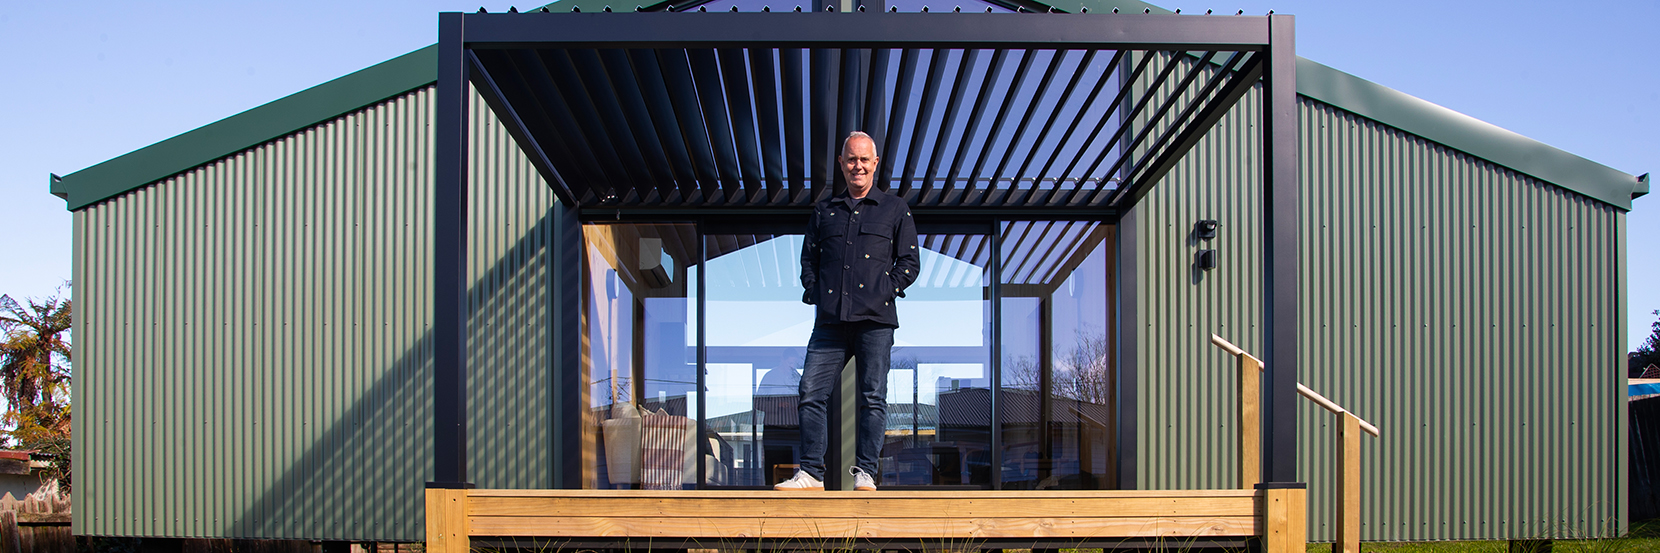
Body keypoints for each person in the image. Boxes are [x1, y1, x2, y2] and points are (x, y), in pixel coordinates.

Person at [775, 131, 919, 491]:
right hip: (830, 322)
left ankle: (866, 473)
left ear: (875, 163)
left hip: (876, 321)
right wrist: (816, 293)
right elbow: (808, 261)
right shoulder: (824, 211)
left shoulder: (895, 209)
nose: (858, 166)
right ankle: (811, 473)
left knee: (872, 398)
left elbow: (909, 262)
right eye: (851, 159)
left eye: (864, 159)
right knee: (810, 391)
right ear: (841, 164)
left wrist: (885, 291)